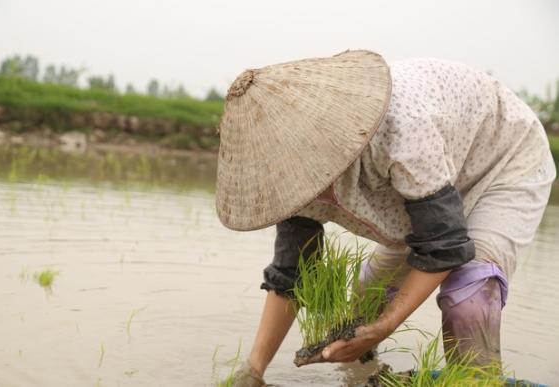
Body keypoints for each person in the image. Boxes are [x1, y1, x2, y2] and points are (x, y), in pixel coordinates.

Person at [215, 50, 555, 386]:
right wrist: (254, 371)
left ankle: (476, 381)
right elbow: (292, 274)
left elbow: (444, 244)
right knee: (368, 296)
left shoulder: (401, 129)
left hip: (502, 159)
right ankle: (360, 377)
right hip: (430, 185)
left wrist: (387, 325)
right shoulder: (291, 177)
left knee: (468, 297)